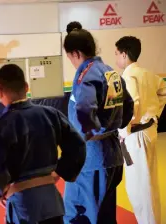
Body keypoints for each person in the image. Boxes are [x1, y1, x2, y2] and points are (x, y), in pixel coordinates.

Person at [0, 64, 87, 223]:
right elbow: (78, 146)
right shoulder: (51, 114)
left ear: (0, 91)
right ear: (26, 87)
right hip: (52, 203)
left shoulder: (1, 127)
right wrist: (58, 172)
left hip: (23, 206)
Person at [62, 23, 134, 224]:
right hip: (112, 156)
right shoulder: (111, 73)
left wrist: (77, 144)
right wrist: (111, 127)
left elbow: (85, 110)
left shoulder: (86, 76)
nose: (71, 62)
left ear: (76, 53)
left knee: (81, 215)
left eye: (69, 57)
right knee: (105, 216)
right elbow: (128, 108)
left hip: (90, 160)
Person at [115, 36, 166, 224]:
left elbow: (133, 104)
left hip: (136, 137)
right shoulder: (147, 73)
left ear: (124, 54)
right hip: (147, 132)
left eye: (116, 53)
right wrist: (155, 114)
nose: (115, 58)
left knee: (141, 188)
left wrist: (123, 132)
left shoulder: (129, 76)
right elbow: (163, 91)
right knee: (147, 183)